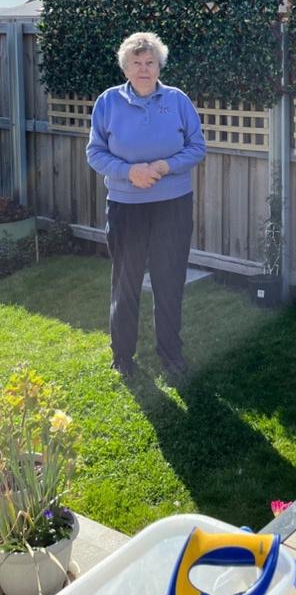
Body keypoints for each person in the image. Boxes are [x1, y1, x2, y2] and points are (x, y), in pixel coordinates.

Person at [86, 31, 206, 378]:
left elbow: (197, 147)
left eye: (150, 62)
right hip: (126, 207)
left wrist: (165, 166)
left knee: (170, 282)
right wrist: (129, 172)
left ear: (159, 65)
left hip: (173, 205)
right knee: (126, 282)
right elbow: (94, 152)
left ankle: (171, 354)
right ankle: (123, 356)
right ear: (125, 67)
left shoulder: (177, 100)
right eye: (136, 63)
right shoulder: (108, 103)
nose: (143, 68)